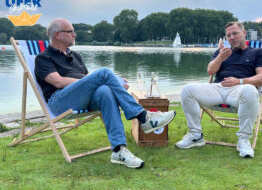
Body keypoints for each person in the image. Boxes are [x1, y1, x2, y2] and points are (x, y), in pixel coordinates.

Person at [34, 18, 176, 168]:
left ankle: (118, 150)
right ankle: (143, 117)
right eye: (71, 31)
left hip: (82, 98)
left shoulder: (75, 56)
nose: (75, 35)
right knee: (104, 74)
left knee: (106, 90)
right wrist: (104, 79)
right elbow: (58, 82)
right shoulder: (43, 58)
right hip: (60, 101)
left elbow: (89, 81)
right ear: (57, 35)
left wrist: (112, 82)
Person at [176, 22, 262, 158]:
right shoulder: (222, 52)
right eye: (228, 35)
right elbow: (210, 71)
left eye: (235, 33)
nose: (232, 37)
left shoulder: (257, 52)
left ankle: (243, 140)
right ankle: (196, 135)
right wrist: (220, 57)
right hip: (217, 89)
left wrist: (240, 81)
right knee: (187, 89)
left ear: (244, 34)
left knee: (250, 90)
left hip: (240, 90)